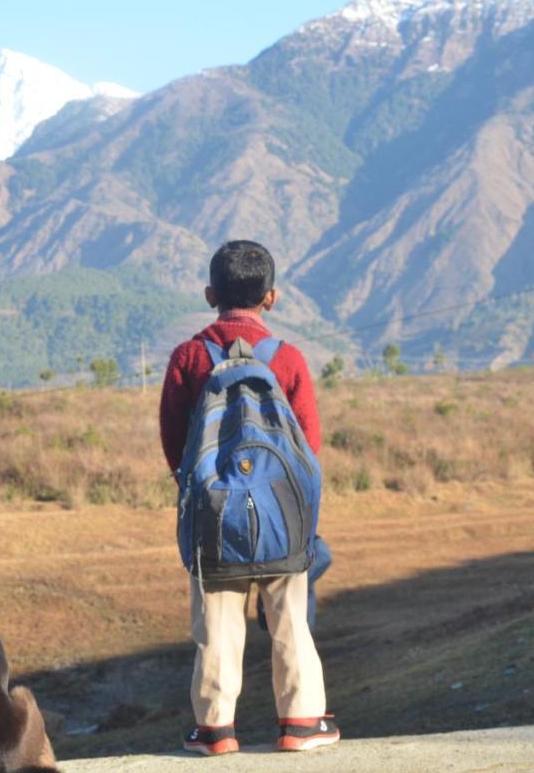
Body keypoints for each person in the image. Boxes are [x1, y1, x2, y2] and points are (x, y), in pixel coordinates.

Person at [159, 240, 339, 755]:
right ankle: (302, 725)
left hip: (214, 518)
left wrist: (207, 500)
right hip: (283, 514)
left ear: (211, 293)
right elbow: (309, 444)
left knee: (216, 624)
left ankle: (215, 731)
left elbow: (176, 445)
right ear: (272, 298)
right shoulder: (288, 359)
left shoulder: (189, 358)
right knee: (289, 619)